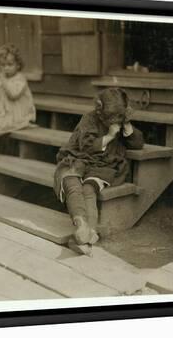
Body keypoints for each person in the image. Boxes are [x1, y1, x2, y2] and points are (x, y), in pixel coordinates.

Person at [53, 88, 144, 255]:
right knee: (70, 180)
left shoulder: (121, 120)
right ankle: (81, 223)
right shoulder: (89, 119)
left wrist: (128, 127)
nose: (115, 121)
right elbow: (85, 146)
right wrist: (109, 136)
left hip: (104, 164)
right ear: (100, 111)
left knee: (89, 189)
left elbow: (138, 144)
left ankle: (90, 232)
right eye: (111, 118)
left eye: (119, 116)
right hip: (79, 157)